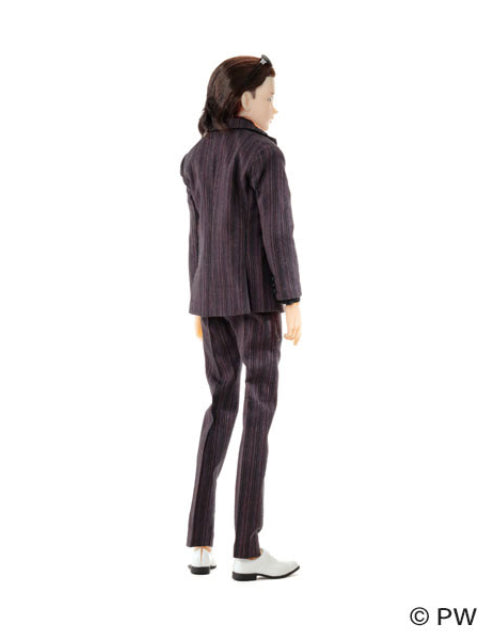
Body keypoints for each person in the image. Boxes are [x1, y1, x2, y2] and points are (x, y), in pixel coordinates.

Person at [180, 54, 302, 581]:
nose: (275, 108)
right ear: (243, 99)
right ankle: (247, 550)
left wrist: (198, 301)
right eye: (269, 97)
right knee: (257, 413)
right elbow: (278, 233)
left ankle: (199, 543)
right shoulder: (263, 154)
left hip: (211, 299)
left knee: (220, 408)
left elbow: (198, 236)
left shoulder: (195, 157)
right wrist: (292, 300)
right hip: (255, 301)